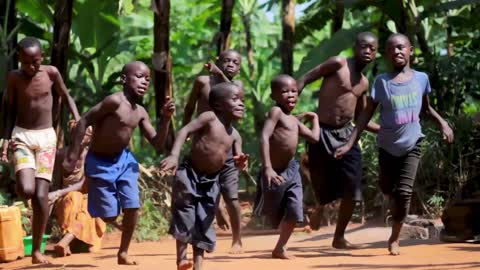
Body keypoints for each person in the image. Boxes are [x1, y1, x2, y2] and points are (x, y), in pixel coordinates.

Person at [335, 33, 454, 255]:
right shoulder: (382, 82)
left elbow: (426, 109)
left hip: (413, 142)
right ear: (387, 55)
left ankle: (394, 238)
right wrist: (350, 143)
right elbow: (365, 115)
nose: (397, 51)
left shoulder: (421, 79)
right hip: (387, 146)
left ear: (410, 50)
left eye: (401, 48)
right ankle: (388, 192)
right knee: (387, 187)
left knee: (404, 192)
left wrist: (443, 124)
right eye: (392, 49)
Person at [63, 61, 175, 265]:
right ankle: (103, 212)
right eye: (139, 77)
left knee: (132, 206)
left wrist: (166, 119)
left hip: (124, 161)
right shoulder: (113, 101)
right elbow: (84, 121)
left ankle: (123, 252)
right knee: (108, 215)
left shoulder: (140, 112)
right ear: (124, 79)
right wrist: (72, 155)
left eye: (148, 79)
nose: (144, 82)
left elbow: (158, 143)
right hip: (99, 161)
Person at [0, 36, 80, 264]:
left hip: (46, 138)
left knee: (42, 195)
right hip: (22, 136)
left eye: (35, 62)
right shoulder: (14, 78)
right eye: (26, 63)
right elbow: (8, 109)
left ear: (41, 58)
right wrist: (5, 139)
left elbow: (66, 97)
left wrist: (76, 119)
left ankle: (36, 251)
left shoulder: (51, 73)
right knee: (26, 190)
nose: (31, 67)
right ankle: (28, 190)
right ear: (19, 59)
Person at [296, 32, 380, 249]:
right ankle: (319, 207)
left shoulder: (363, 82)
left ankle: (339, 237)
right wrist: (289, 103)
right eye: (363, 46)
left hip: (346, 135)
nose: (367, 51)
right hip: (321, 133)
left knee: (352, 188)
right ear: (355, 47)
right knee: (321, 183)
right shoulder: (338, 64)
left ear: (377, 52)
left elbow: (361, 118)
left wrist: (384, 129)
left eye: (372, 48)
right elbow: (306, 77)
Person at [161, 82, 247, 270]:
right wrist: (174, 155)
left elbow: (237, 158)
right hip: (189, 173)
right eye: (235, 99)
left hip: (211, 181)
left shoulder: (235, 136)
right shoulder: (209, 118)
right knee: (185, 213)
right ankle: (182, 259)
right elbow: (184, 131)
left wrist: (240, 163)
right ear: (218, 105)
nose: (241, 104)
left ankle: (199, 265)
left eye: (242, 100)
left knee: (204, 220)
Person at [183, 49, 246, 253]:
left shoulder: (237, 86)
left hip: (226, 144)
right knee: (202, 188)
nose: (230, 64)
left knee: (232, 195)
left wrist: (220, 75)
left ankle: (237, 239)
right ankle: (214, 211)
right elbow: (189, 107)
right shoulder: (202, 82)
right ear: (217, 61)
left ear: (239, 67)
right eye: (226, 61)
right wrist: (186, 132)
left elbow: (237, 112)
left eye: (235, 62)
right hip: (203, 143)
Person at [256, 75, 319, 259]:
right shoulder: (276, 112)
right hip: (274, 171)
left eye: (294, 91)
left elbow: (314, 138)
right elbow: (264, 137)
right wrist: (267, 167)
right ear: (274, 96)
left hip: (292, 171)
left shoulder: (295, 121)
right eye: (284, 91)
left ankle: (280, 247)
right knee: (273, 214)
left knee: (295, 209)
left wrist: (314, 118)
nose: (291, 95)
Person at [48, 123, 106, 257]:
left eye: (86, 134)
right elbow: (56, 184)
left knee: (81, 199)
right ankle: (68, 239)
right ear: (72, 134)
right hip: (66, 201)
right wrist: (49, 207)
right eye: (78, 133)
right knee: (74, 197)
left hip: (87, 201)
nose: (81, 136)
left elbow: (83, 184)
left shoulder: (93, 157)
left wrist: (57, 193)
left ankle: (67, 239)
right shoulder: (61, 154)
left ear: (91, 138)